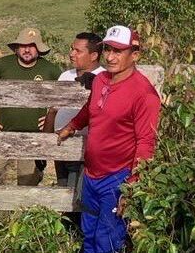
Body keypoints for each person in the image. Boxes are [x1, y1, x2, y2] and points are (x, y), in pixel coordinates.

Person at [58, 26, 161, 253]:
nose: (110, 57)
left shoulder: (144, 94)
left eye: (118, 51)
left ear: (134, 55)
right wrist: (72, 125)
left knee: (108, 240)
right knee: (88, 233)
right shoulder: (101, 80)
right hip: (92, 174)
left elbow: (146, 142)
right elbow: (90, 109)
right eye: (108, 50)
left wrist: (131, 187)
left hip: (117, 178)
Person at [0, 27, 61, 187]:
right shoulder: (1, 66)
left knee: (28, 181)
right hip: (3, 133)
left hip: (34, 136)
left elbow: (66, 96)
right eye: (23, 45)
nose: (27, 49)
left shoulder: (50, 70)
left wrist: (53, 118)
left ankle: (23, 212)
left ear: (39, 49)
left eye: (32, 45)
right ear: (16, 48)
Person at [42, 32, 105, 187]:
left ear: (93, 55)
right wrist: (45, 140)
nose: (71, 54)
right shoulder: (65, 75)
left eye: (78, 51)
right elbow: (53, 109)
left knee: (75, 195)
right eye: (72, 49)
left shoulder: (103, 77)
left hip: (82, 147)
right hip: (60, 144)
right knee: (63, 189)